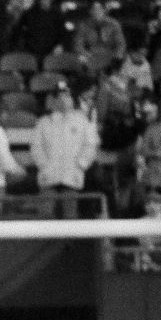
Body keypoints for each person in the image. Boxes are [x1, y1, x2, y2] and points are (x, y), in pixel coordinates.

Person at [31, 81, 99, 219]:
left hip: (72, 175)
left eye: (66, 96)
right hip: (49, 176)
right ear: (53, 100)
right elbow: (36, 147)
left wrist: (81, 164)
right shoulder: (43, 122)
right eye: (59, 96)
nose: (63, 100)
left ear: (72, 99)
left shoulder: (82, 121)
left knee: (70, 214)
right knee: (46, 214)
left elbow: (91, 145)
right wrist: (44, 165)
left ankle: (68, 241)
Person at [73, 0, 127, 65]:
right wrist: (87, 54)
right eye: (94, 10)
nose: (97, 12)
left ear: (104, 10)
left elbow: (121, 43)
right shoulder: (83, 25)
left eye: (100, 9)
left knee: (122, 58)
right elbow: (78, 45)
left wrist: (117, 55)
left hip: (110, 54)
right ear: (90, 11)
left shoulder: (114, 24)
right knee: (80, 59)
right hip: (91, 54)